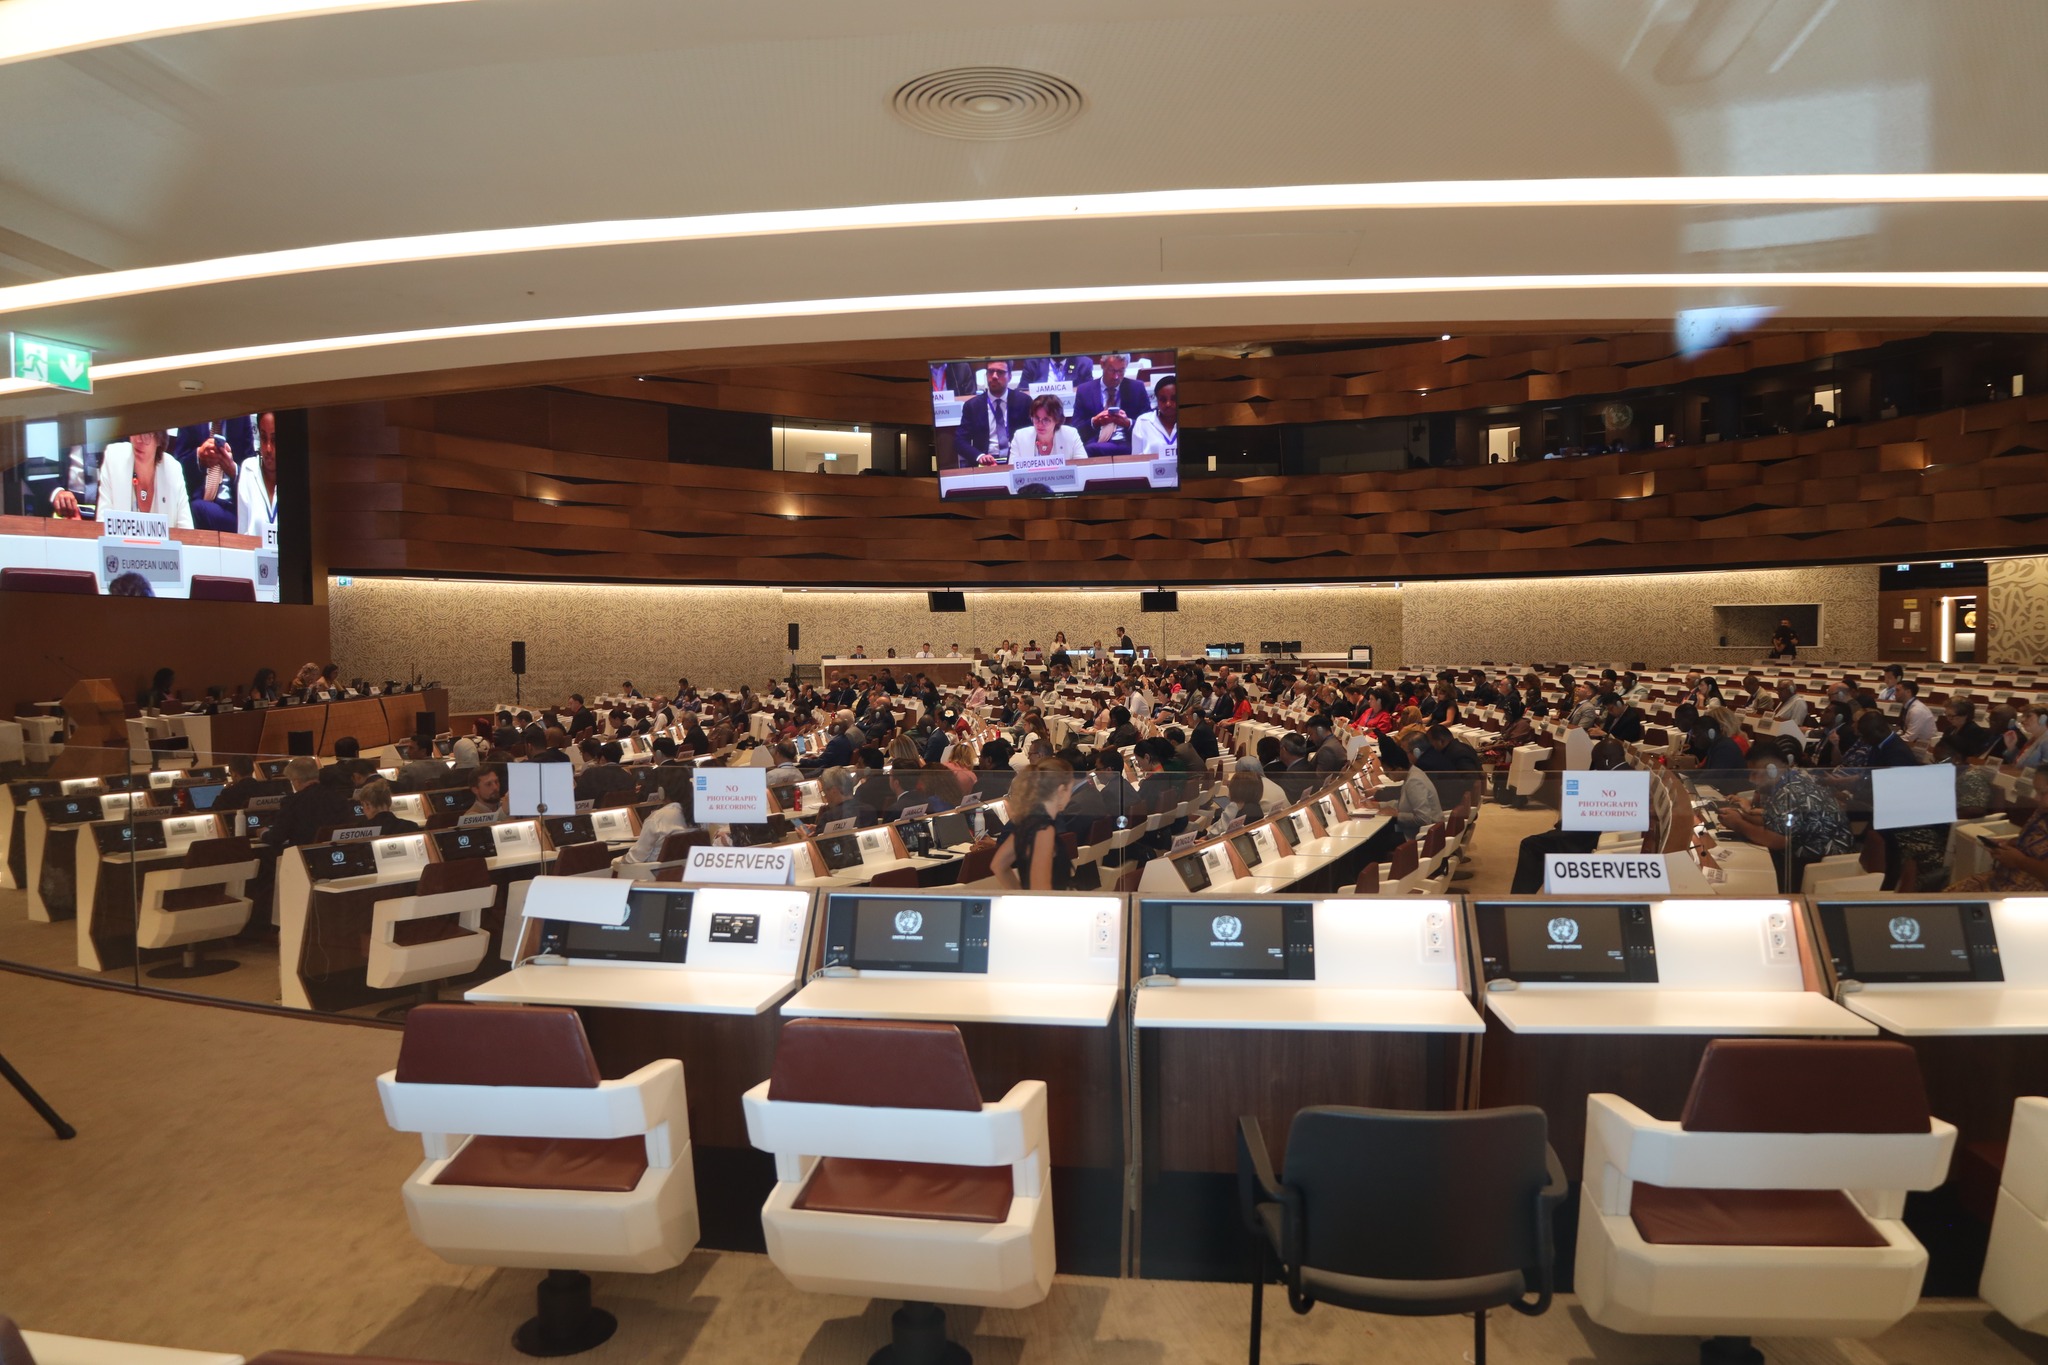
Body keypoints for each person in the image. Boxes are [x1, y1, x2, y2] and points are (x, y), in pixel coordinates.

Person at [1719, 744, 1856, 892]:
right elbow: (1773, 821)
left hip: (1818, 865)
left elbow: (1777, 840)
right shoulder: (1792, 780)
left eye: (1755, 773)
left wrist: (1738, 824)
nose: (1751, 779)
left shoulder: (1790, 791)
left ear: (1771, 770)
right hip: (1808, 858)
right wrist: (1740, 816)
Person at [53, 430, 193, 528]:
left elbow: (186, 532)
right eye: (136, 430)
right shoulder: (114, 457)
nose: (139, 440)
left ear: (159, 439)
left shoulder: (173, 469)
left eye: (147, 434)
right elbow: (103, 523)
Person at [990, 759, 1075, 891]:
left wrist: (1020, 895)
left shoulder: (1027, 823)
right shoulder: (1044, 830)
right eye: (1070, 789)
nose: (1071, 796)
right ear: (1061, 790)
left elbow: (998, 865)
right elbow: (1040, 889)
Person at [954, 358, 1033, 466]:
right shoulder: (972, 406)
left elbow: (1032, 433)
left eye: (1000, 372)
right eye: (991, 371)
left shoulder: (1024, 401)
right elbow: (960, 441)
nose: (994, 376)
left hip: (1017, 460)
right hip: (985, 463)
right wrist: (980, 456)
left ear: (1010, 376)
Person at [267, 757, 358, 848]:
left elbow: (277, 837)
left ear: (296, 781)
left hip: (302, 853)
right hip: (335, 850)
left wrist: (263, 833)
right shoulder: (338, 797)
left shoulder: (291, 801)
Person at [1071, 353, 1151, 456]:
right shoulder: (1084, 390)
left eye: (1121, 371)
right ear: (1102, 364)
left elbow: (1148, 425)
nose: (1116, 376)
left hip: (1129, 443)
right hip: (1095, 445)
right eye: (1111, 370)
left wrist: (1128, 423)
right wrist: (1094, 422)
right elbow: (1075, 429)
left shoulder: (1137, 388)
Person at [1004, 392, 1088, 470]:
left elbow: (1083, 467)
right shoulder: (1020, 437)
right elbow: (1012, 471)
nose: (1040, 424)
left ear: (1057, 420)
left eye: (1046, 420)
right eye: (1036, 418)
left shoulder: (1070, 435)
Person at [235, 412, 281, 540]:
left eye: (274, 440)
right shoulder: (248, 469)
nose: (268, 448)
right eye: (264, 438)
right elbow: (242, 534)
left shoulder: (297, 476)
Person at [1128, 375, 1178, 460]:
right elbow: (1136, 460)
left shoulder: (1192, 421)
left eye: (1174, 399)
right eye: (1163, 399)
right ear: (1157, 400)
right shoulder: (1143, 421)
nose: (1168, 404)